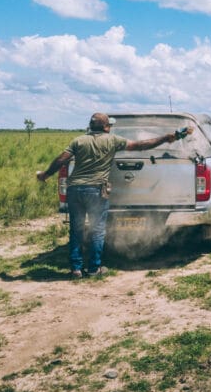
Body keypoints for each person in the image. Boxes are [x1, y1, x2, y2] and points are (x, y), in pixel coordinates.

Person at [36, 112, 192, 279]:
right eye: (109, 125)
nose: (110, 127)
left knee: (76, 230)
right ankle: (94, 269)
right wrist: (167, 138)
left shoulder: (78, 141)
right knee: (97, 230)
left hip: (74, 189)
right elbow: (141, 145)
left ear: (90, 126)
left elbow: (61, 159)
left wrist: (45, 174)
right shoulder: (112, 140)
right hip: (96, 190)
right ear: (105, 127)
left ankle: (76, 269)